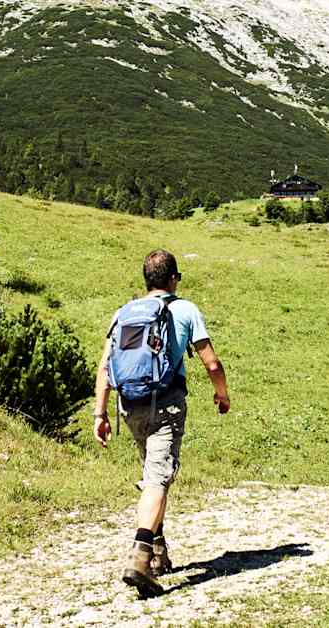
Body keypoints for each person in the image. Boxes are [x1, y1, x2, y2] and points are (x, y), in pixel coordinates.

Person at [93, 249, 231, 598]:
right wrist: (222, 395)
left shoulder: (125, 313)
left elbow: (106, 368)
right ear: (174, 279)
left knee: (154, 476)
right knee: (157, 479)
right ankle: (140, 557)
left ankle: (157, 553)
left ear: (146, 280)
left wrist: (100, 413)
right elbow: (211, 364)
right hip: (166, 405)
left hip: (131, 406)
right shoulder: (184, 310)